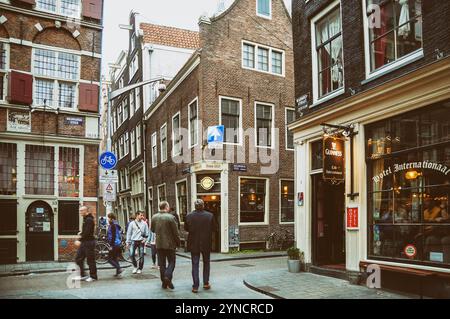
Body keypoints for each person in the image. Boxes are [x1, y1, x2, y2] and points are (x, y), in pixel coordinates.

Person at [185, 199, 216, 293]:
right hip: (206, 243)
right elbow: (215, 228)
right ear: (203, 206)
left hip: (193, 243)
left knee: (195, 264)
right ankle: (206, 283)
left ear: (195, 206)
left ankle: (195, 286)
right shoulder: (210, 216)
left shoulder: (189, 216)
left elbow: (186, 229)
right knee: (206, 263)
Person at [151, 201, 180, 290]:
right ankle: (167, 277)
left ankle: (164, 283)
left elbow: (152, 230)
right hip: (170, 244)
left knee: (162, 264)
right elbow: (176, 233)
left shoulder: (154, 217)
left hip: (159, 244)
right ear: (166, 207)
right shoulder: (171, 218)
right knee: (172, 262)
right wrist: (178, 243)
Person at [74, 206, 98, 282]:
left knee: (90, 260)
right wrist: (81, 232)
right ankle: (82, 275)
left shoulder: (89, 220)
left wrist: (79, 240)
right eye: (79, 211)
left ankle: (93, 276)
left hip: (89, 242)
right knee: (78, 258)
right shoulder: (86, 219)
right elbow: (87, 231)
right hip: (85, 242)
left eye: (81, 211)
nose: (80, 212)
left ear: (85, 211)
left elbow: (88, 233)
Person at [106, 213, 123, 278]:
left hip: (114, 244)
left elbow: (113, 236)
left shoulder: (113, 225)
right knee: (115, 258)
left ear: (111, 219)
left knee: (109, 259)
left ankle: (119, 269)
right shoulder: (115, 224)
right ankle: (118, 272)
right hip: (117, 243)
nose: (108, 219)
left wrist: (111, 245)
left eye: (108, 218)